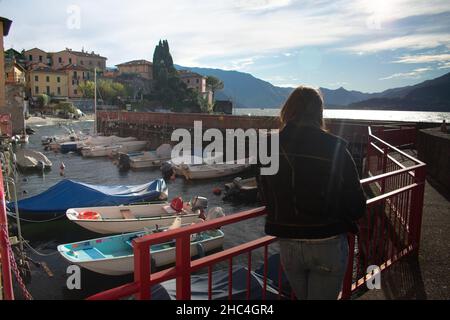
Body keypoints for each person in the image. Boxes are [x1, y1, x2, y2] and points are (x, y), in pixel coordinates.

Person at [257, 86, 366, 300]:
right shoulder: (335, 148)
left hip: (288, 242)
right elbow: (357, 206)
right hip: (327, 241)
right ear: (319, 113)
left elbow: (264, 193)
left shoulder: (268, 146)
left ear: (288, 110)